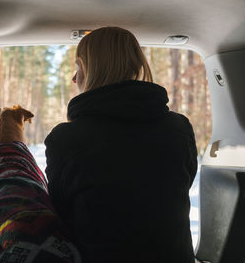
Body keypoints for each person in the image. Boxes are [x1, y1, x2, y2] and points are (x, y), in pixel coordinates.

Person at [45, 27, 198, 263]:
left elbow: (60, 216)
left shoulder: (66, 139)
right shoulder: (179, 127)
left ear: (91, 69)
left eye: (78, 67)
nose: (74, 78)